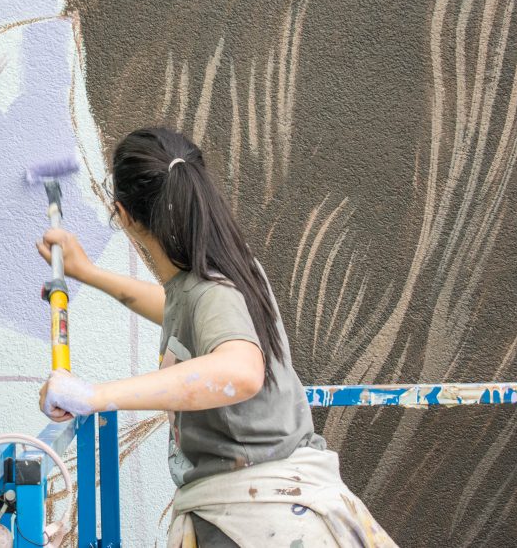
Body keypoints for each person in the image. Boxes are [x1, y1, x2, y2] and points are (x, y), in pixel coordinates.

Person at [38, 128, 396, 547]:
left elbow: (240, 371)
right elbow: (179, 310)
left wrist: (96, 397)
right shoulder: (220, 273)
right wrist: (90, 274)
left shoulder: (211, 291)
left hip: (262, 523)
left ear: (124, 214)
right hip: (279, 512)